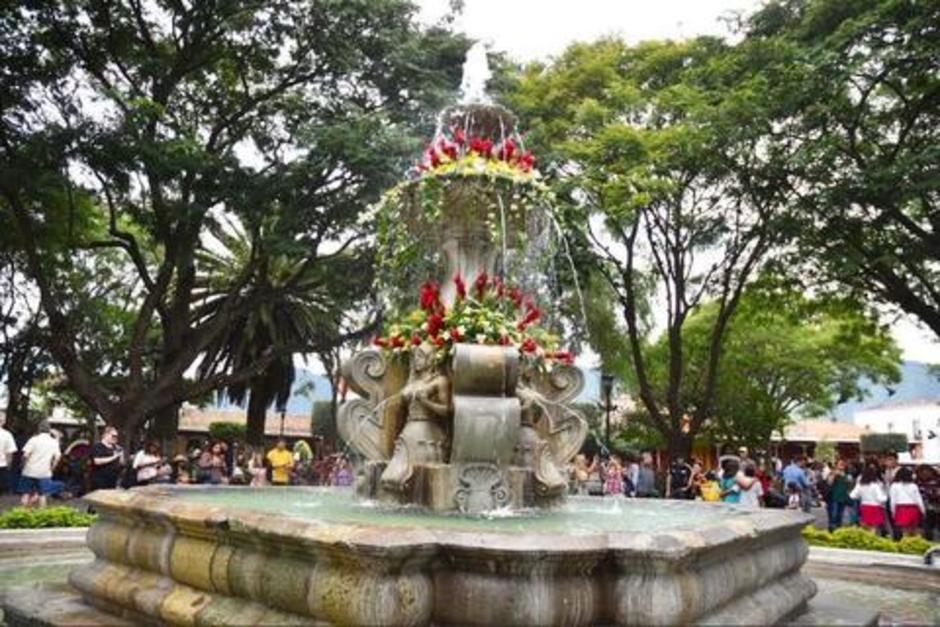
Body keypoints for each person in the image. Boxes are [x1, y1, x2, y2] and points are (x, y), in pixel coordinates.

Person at [18, 420, 61, 507]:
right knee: (42, 495)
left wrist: (23, 464)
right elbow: (57, 458)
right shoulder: (54, 442)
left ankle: (23, 514)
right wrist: (52, 468)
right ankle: (41, 516)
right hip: (44, 472)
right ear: (49, 430)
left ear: (39, 429)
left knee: (26, 494)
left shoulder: (33, 440)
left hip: (29, 471)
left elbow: (25, 455)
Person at [850, 464, 887, 532]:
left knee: (867, 527)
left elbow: (853, 495)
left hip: (864, 506)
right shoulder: (875, 485)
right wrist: (886, 497)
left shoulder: (860, 485)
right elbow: (880, 498)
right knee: (874, 528)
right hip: (875, 508)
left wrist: (860, 496)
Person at [889, 466, 926, 536]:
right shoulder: (913, 486)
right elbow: (918, 500)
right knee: (914, 530)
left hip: (901, 509)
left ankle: (906, 544)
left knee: (905, 531)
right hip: (913, 508)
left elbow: (893, 501)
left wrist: (893, 512)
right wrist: (923, 511)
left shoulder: (894, 486)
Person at [90, 426, 124, 491]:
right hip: (100, 481)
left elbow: (121, 463)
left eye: (116, 436)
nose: (115, 438)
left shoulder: (116, 448)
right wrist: (114, 457)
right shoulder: (98, 446)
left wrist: (121, 456)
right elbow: (97, 461)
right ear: (106, 435)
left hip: (113, 480)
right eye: (113, 436)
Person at [825, 459, 852, 531]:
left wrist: (849, 480)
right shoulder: (833, 473)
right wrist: (834, 475)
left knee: (840, 515)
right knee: (833, 514)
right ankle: (832, 528)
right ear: (836, 465)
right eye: (840, 464)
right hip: (834, 497)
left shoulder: (847, 474)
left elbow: (849, 485)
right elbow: (829, 483)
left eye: (843, 464)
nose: (842, 465)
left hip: (843, 497)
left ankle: (838, 529)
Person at [915, 464, 940, 541]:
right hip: (926, 508)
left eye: (926, 471)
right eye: (922, 472)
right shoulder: (917, 482)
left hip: (937, 507)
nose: (924, 473)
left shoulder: (937, 480)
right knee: (927, 528)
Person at [0, 415, 17, 495]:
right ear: (3, 422)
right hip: (2, 465)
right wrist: (9, 465)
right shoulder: (7, 435)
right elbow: (10, 453)